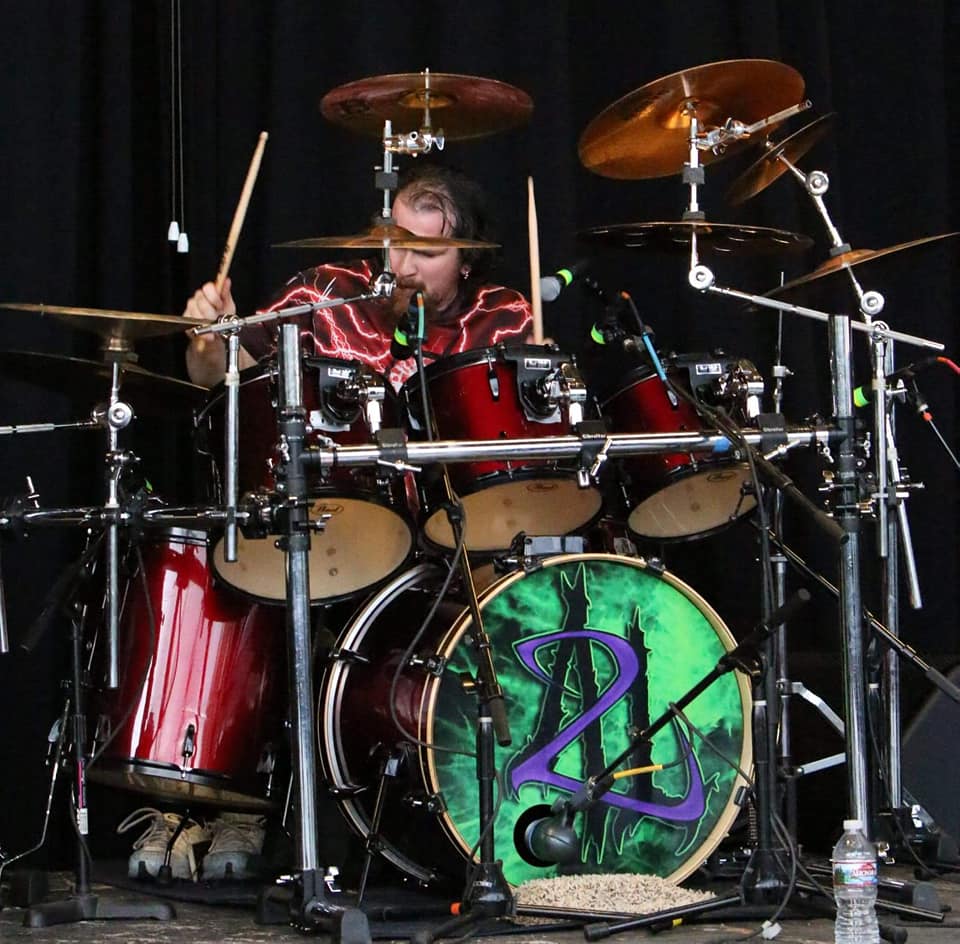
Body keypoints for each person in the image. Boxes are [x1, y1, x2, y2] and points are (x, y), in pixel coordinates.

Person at [184, 161, 533, 390]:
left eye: (427, 252)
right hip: (341, 500)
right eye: (395, 244)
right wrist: (212, 344)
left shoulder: (505, 318)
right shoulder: (324, 293)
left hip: (475, 502)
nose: (402, 267)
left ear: (467, 259)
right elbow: (216, 382)